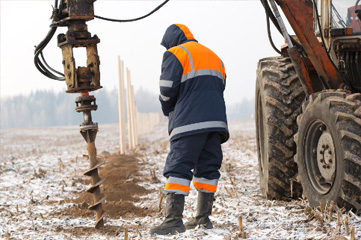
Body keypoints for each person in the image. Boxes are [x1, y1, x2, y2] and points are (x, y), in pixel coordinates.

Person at [150, 24, 229, 235]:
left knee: (178, 167)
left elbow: (167, 89)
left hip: (189, 122)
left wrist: (168, 110)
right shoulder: (213, 55)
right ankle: (203, 219)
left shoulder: (175, 53)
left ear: (171, 41)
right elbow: (220, 85)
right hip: (216, 123)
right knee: (208, 168)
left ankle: (173, 220)